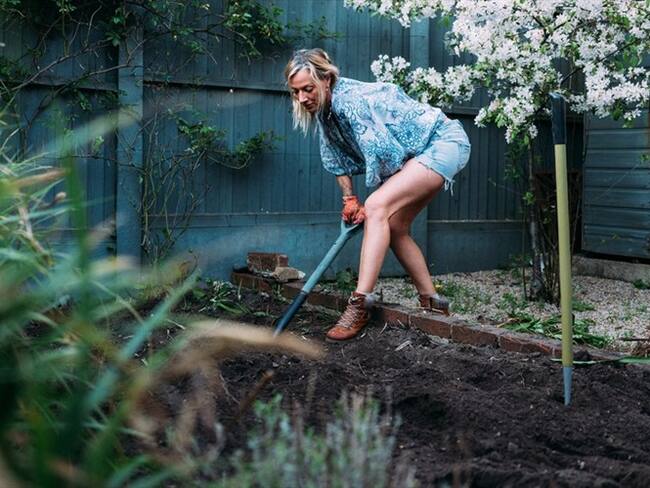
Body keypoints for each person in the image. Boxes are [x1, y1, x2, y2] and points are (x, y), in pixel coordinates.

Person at [284, 48, 471, 342]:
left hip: (443, 142)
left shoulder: (352, 103)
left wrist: (370, 207)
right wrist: (349, 200)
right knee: (394, 226)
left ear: (327, 80)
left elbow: (384, 154)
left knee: (378, 206)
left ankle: (360, 303)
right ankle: (433, 303)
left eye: (308, 89)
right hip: (420, 152)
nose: (302, 98)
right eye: (296, 93)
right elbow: (333, 157)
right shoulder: (324, 111)